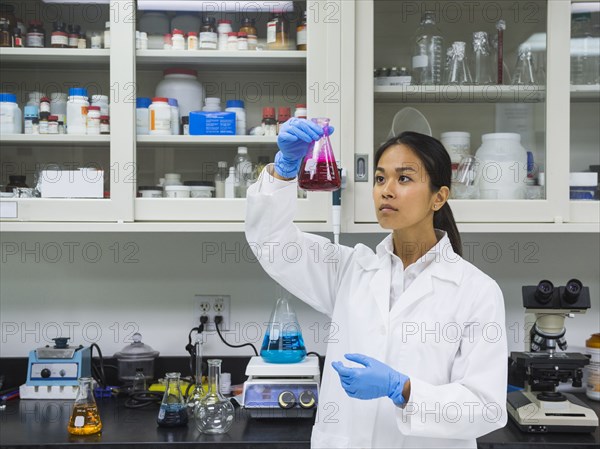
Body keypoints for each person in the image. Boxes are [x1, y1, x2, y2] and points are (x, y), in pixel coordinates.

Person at [245, 118, 508, 449]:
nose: (386, 189)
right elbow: (273, 244)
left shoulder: (476, 291)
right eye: (380, 178)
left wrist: (404, 389)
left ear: (438, 198)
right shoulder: (351, 269)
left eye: (404, 178)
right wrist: (284, 170)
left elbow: (486, 408)